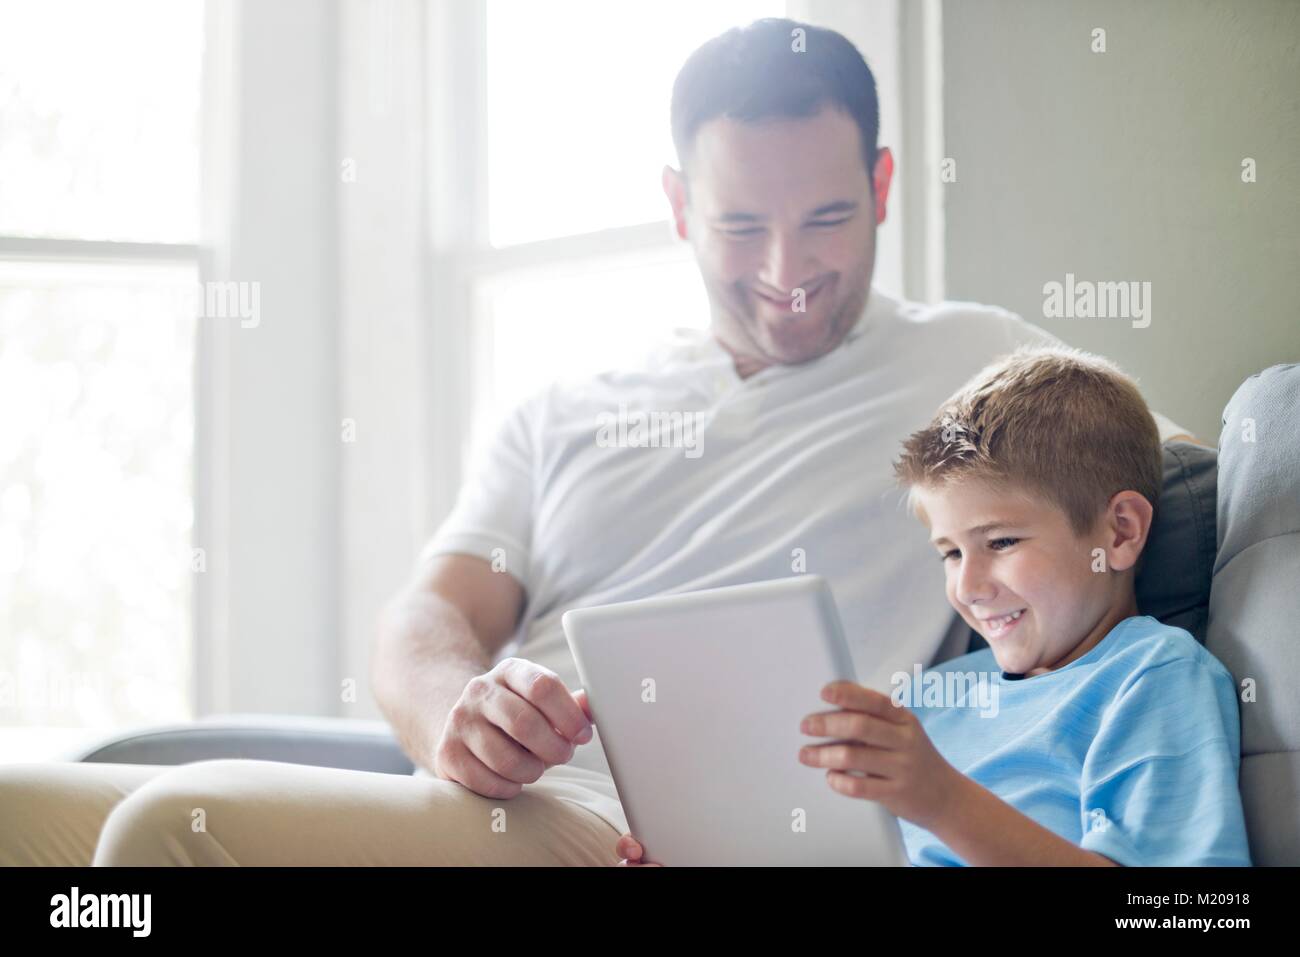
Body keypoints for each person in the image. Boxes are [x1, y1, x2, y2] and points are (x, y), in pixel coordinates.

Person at [0, 18, 1196, 867]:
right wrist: (456, 712)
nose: (786, 275)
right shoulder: (563, 404)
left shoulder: (969, 369)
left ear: (883, 184)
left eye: (827, 218)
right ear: (677, 206)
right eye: (739, 226)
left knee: (164, 838)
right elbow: (427, 617)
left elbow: (1142, 473)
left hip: (637, 835)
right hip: (488, 800)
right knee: (17, 808)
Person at [619, 347, 1248, 866]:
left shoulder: (1152, 675)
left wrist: (943, 801)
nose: (969, 586)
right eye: (949, 552)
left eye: (1000, 542)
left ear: (1119, 532)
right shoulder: (928, 700)